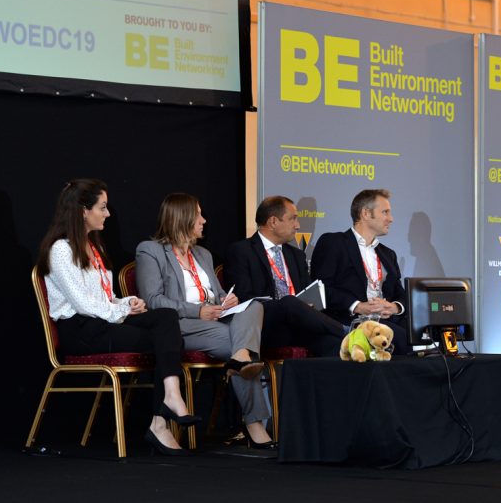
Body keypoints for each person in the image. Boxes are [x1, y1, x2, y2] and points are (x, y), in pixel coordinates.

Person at [37, 179, 198, 456]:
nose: (108, 213)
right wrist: (122, 310)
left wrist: (127, 302)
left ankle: (169, 402)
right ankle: (161, 420)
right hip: (80, 330)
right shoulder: (61, 250)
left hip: (103, 320)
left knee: (166, 318)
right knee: (166, 340)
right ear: (82, 211)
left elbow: (104, 298)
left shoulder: (93, 247)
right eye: (102, 207)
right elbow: (83, 304)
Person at [136, 193, 275, 450]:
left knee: (254, 306)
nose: (204, 220)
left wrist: (227, 299)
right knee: (243, 347)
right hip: (180, 326)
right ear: (182, 218)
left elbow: (216, 293)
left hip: (217, 320)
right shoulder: (151, 251)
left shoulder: (202, 254)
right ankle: (255, 423)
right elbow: (153, 301)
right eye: (198, 215)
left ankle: (242, 358)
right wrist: (197, 311)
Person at [224, 196, 344, 357]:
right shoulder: (241, 251)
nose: (298, 225)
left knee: (339, 346)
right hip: (266, 325)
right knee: (289, 302)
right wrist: (286, 305)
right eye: (293, 219)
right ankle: (345, 330)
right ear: (273, 222)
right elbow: (244, 297)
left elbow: (307, 292)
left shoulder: (296, 255)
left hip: (299, 325)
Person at [310, 189, 410, 355]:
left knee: (423, 339)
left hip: (386, 322)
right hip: (349, 322)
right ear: (365, 213)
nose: (390, 219)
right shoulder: (334, 243)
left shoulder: (387, 253)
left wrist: (393, 307)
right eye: (385, 212)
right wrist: (357, 306)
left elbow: (401, 294)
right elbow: (321, 289)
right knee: (401, 339)